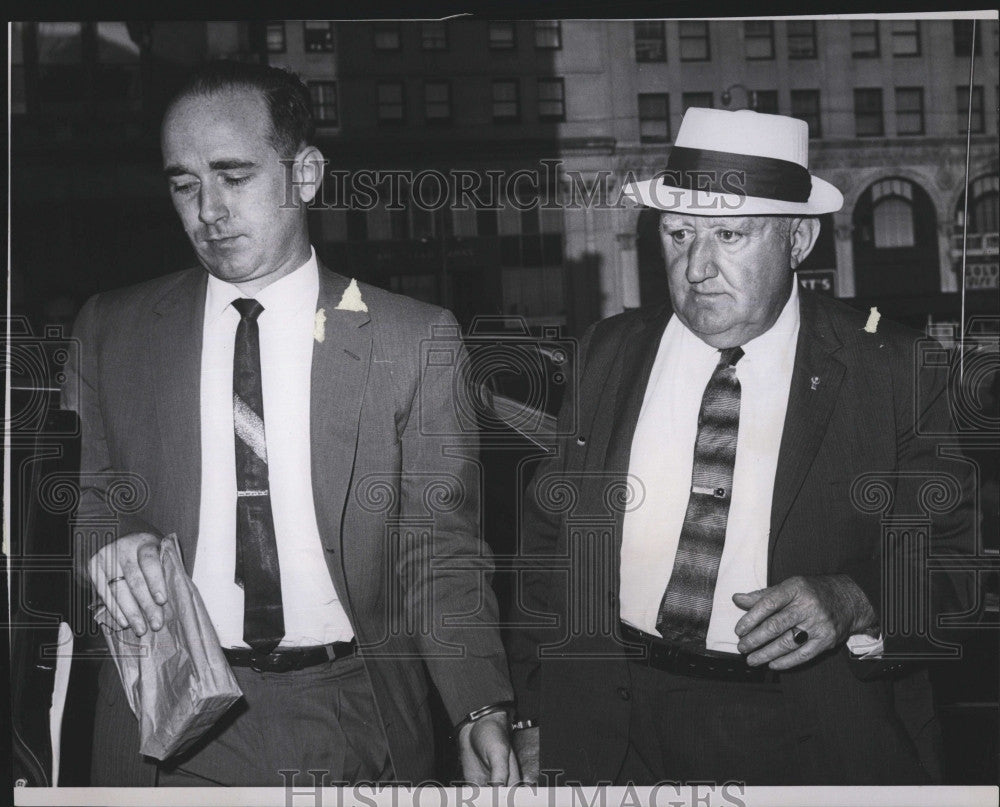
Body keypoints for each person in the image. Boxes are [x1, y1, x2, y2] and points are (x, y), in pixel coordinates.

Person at [64, 61, 517, 787]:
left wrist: (478, 705)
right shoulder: (111, 329)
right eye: (184, 184)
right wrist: (108, 548)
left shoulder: (412, 338)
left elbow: (440, 552)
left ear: (304, 174)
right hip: (167, 713)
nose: (207, 210)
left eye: (234, 176)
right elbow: (80, 507)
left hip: (349, 711)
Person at [506, 107, 975, 785]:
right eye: (678, 234)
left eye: (730, 233)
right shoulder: (607, 353)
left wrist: (855, 599)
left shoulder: (896, 370)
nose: (698, 266)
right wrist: (532, 716)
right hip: (613, 731)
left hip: (808, 736)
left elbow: (955, 574)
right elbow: (546, 551)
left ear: (798, 240)